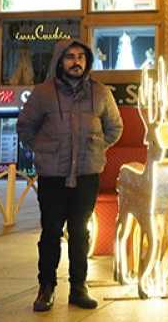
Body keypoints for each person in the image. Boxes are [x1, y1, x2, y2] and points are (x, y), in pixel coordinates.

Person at [17, 38, 123, 313]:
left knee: (80, 232)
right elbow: (25, 128)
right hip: (52, 176)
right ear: (60, 61)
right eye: (70, 56)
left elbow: (115, 127)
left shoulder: (100, 92)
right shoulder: (42, 93)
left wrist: (96, 147)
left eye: (81, 57)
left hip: (87, 174)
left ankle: (79, 287)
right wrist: (44, 150)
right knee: (51, 231)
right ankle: (46, 287)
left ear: (87, 61)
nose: (76, 61)